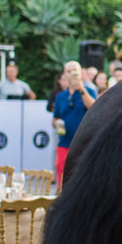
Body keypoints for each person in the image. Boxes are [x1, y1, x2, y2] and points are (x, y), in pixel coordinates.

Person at [52, 60, 97, 190]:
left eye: (74, 70)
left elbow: (94, 108)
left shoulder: (88, 90)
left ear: (81, 73)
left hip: (83, 143)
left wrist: (82, 89)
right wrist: (57, 123)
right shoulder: (60, 96)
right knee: (62, 177)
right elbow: (55, 118)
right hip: (64, 143)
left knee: (82, 178)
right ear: (64, 75)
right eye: (69, 71)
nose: (72, 73)